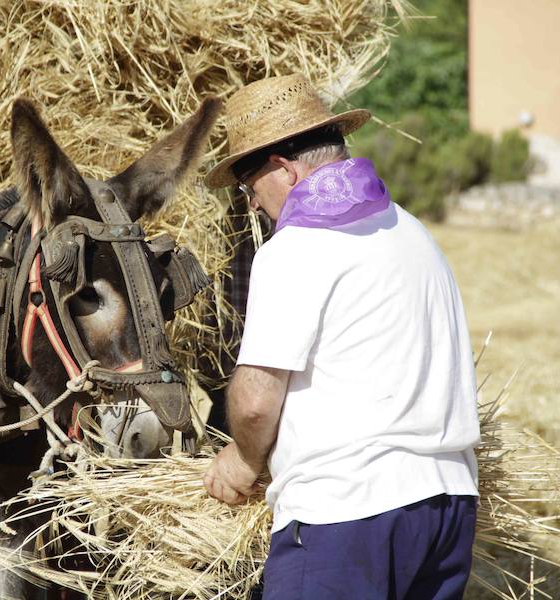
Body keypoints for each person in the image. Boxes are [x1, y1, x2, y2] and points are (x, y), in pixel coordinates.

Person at [202, 74, 481, 600]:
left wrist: (240, 461)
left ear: (283, 170)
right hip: (449, 508)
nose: (254, 206)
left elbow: (259, 402)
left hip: (346, 517)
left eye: (249, 187)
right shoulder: (412, 231)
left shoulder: (296, 248)